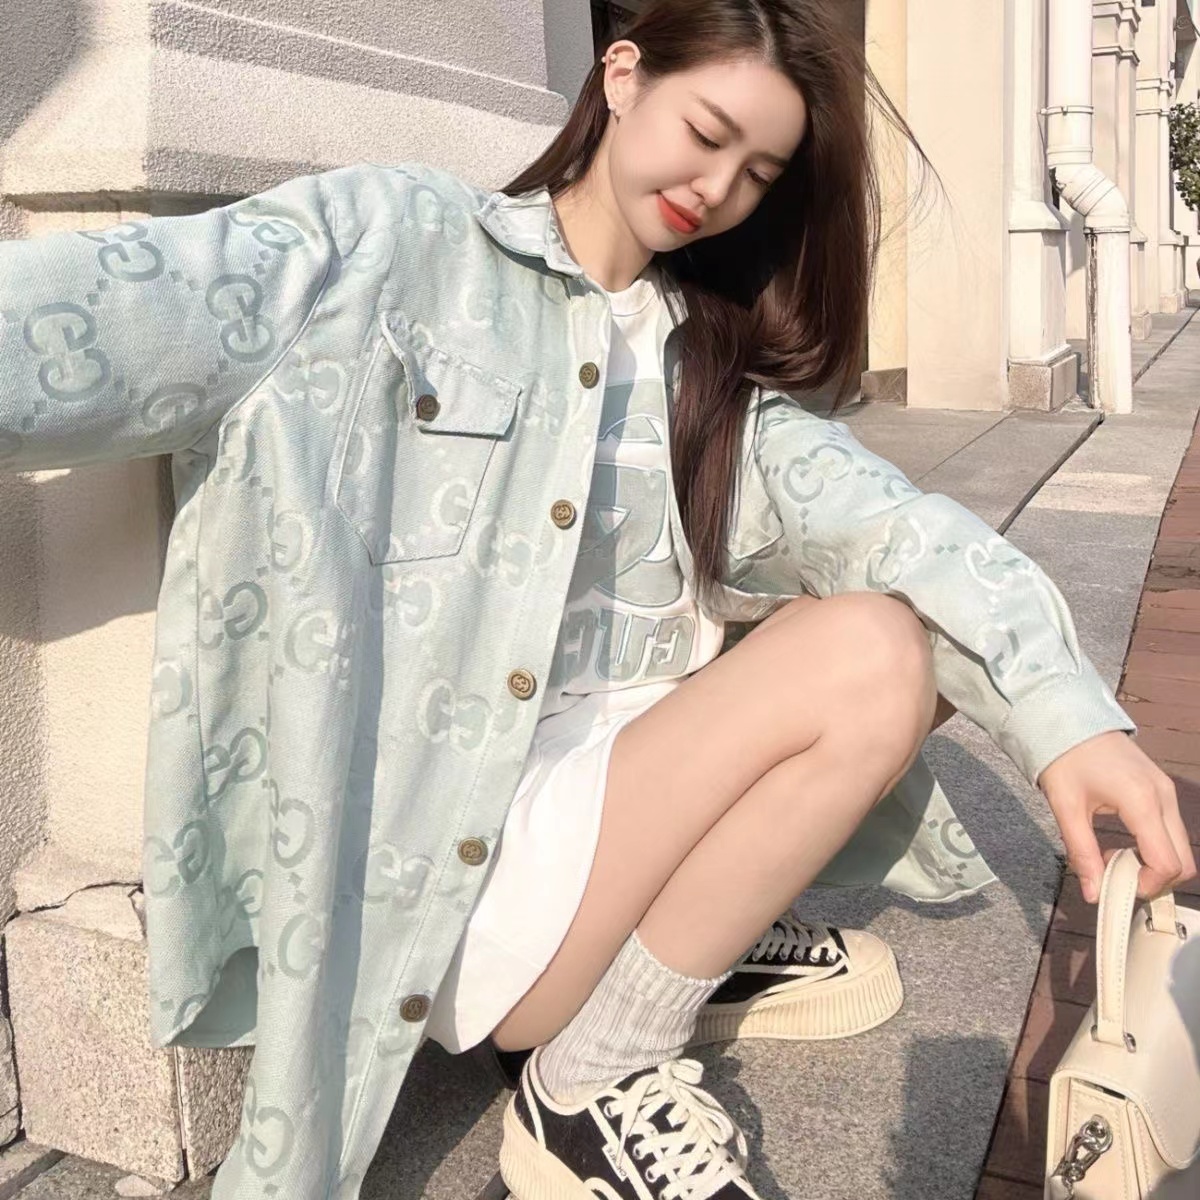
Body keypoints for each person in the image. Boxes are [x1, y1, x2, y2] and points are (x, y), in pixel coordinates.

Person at [0, 1, 1192, 1197]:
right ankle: (592, 1075)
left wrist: (1069, 719)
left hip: (606, 809)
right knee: (870, 654)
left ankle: (657, 959)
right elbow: (107, 313)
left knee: (900, 618)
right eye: (706, 132)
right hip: (462, 860)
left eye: (757, 173)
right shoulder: (394, 248)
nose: (715, 189)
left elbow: (901, 527)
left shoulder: (703, 367)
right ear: (622, 75)